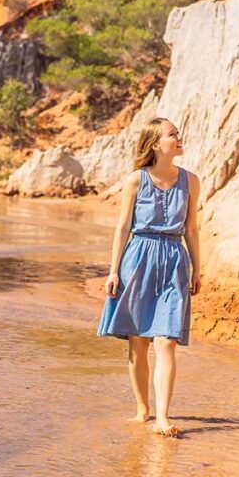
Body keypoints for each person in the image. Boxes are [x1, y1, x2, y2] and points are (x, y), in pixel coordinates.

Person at [97, 117, 202, 437]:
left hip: (173, 261)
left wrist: (198, 268)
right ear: (156, 144)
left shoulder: (191, 181)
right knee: (138, 340)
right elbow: (122, 228)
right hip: (138, 258)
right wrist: (114, 270)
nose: (179, 138)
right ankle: (143, 410)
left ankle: (162, 418)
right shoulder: (135, 180)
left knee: (167, 340)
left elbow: (192, 228)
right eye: (173, 135)